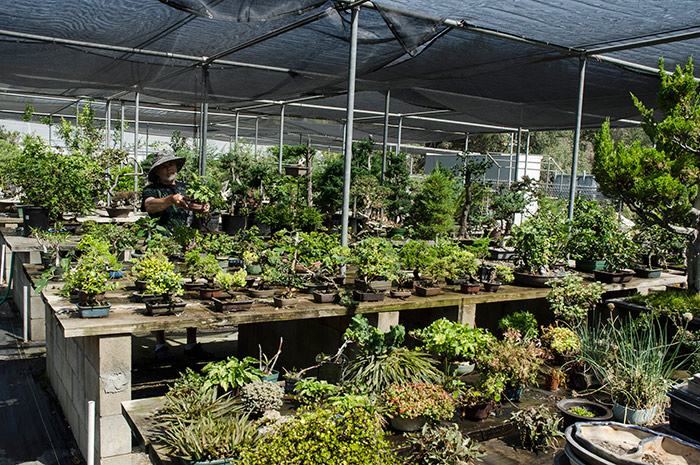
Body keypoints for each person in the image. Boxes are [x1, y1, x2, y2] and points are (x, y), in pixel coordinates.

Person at [141, 150, 211, 359]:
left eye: (171, 164)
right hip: (162, 246)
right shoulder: (151, 190)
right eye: (164, 166)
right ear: (156, 171)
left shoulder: (186, 188)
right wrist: (170, 200)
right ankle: (160, 343)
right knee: (161, 291)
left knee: (190, 292)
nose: (169, 168)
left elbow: (193, 205)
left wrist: (202, 207)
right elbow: (149, 206)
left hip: (188, 245)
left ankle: (191, 342)